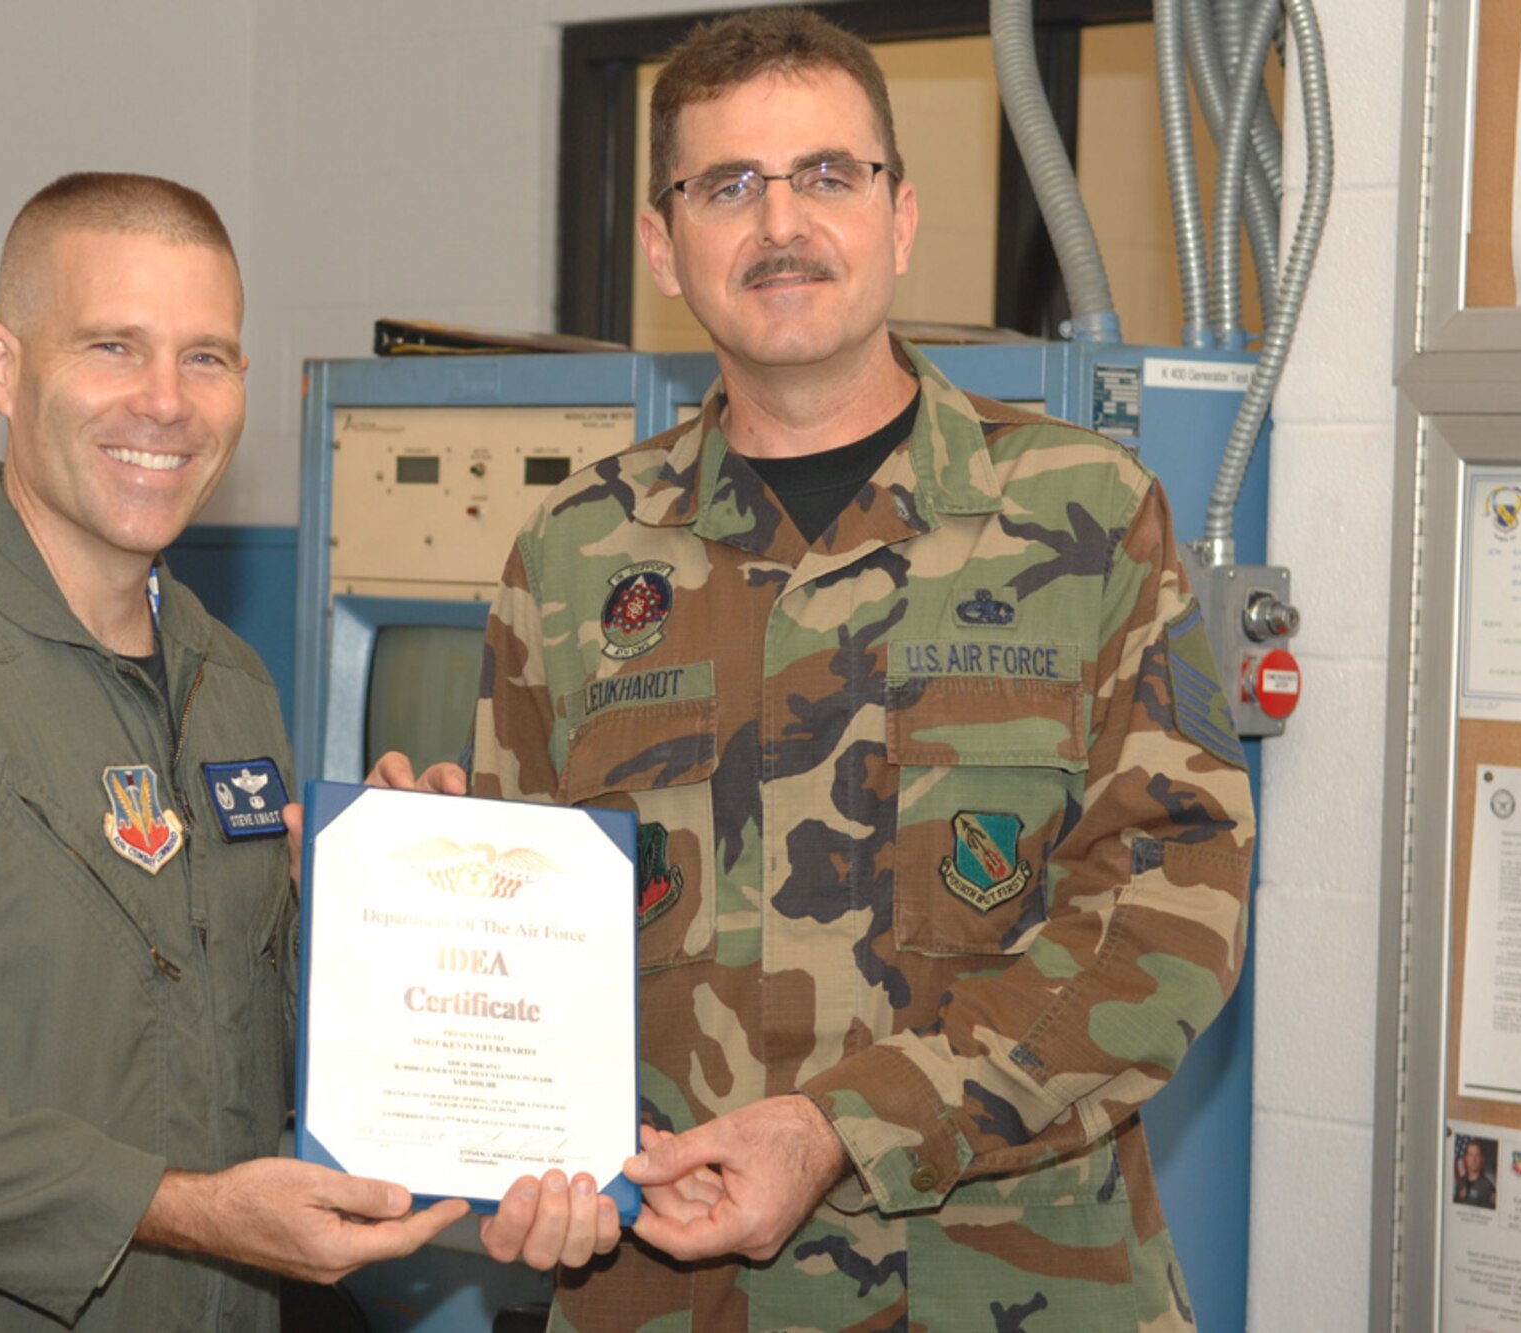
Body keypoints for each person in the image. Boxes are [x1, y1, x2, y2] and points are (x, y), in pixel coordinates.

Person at [467, 9, 1256, 1329]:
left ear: (899, 216)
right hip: (669, 1294)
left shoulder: (1088, 515)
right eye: (730, 185)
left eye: (829, 174)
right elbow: (513, 943)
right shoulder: (571, 559)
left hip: (1008, 1287)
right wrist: (418, 885)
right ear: (664, 247)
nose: (782, 222)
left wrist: (848, 1126)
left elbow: (1170, 923)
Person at [0, 172, 468, 1331]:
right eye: (113, 347)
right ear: (1, 366)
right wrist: (184, 1209)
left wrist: (371, 928)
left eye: (207, 357)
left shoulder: (233, 686)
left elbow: (210, 1058)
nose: (165, 403)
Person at [1454, 1138, 1497, 1209]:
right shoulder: (1460, 1182)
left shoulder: (1488, 1187)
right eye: (1470, 1155)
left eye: (1477, 1155)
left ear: (1482, 1159)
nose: (1473, 1159)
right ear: (1466, 1158)